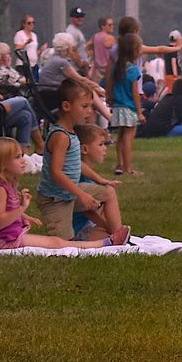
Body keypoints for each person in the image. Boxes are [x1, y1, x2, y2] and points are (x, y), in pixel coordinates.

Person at [0, 137, 117, 250]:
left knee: (57, 242)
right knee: (57, 243)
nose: (23, 160)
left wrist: (26, 217)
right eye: (17, 157)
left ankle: (104, 242)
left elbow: (7, 212)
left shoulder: (5, 186)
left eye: (22, 155)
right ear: (2, 164)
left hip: (9, 236)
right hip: (5, 240)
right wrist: (22, 207)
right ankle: (105, 243)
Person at [36, 79, 128, 243]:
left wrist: (100, 180)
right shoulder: (61, 136)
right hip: (55, 199)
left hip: (69, 193)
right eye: (84, 106)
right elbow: (56, 172)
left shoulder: (71, 133)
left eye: (91, 106)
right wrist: (82, 195)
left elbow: (77, 164)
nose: (90, 111)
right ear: (67, 106)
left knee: (108, 192)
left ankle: (117, 237)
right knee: (64, 246)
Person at [33, 32, 110, 123]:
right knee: (90, 92)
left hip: (47, 95)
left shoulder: (53, 59)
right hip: (55, 96)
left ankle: (99, 124)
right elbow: (79, 79)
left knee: (89, 100)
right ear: (68, 48)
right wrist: (97, 87)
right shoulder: (62, 62)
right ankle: (109, 117)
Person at [108, 34, 145, 175]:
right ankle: (128, 168)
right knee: (128, 137)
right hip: (129, 107)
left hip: (117, 107)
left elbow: (110, 86)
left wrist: (110, 98)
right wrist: (139, 112)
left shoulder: (117, 68)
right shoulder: (134, 70)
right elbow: (135, 93)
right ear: (134, 51)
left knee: (120, 136)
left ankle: (120, 164)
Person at [89, 16, 115, 86]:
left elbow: (88, 47)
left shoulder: (95, 36)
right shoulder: (110, 38)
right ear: (103, 26)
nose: (112, 26)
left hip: (97, 71)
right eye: (109, 25)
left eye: (113, 24)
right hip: (108, 70)